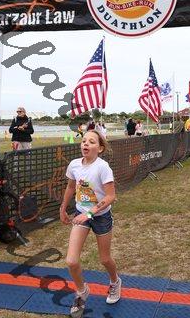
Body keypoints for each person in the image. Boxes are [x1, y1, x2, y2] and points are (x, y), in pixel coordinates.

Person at [60, 130, 121, 316]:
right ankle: (81, 291)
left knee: (104, 259)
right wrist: (63, 208)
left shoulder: (103, 167)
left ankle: (115, 282)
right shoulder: (74, 165)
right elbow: (71, 186)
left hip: (101, 216)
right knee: (71, 261)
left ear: (100, 148)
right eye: (84, 140)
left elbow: (111, 196)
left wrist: (89, 213)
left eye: (91, 141)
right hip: (81, 214)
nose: (85, 144)